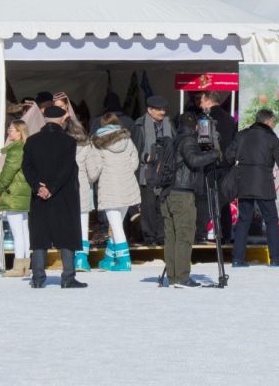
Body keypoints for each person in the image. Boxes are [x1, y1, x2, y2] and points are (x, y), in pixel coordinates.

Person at [22, 106, 86, 289]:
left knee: (40, 235)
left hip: (39, 195)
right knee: (66, 234)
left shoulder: (32, 141)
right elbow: (66, 169)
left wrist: (38, 187)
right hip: (63, 194)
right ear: (61, 120)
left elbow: (27, 167)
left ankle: (37, 277)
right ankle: (68, 277)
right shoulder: (68, 141)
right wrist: (52, 188)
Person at [229, 109, 279, 268]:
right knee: (271, 221)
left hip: (244, 183)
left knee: (243, 220)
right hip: (264, 185)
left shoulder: (241, 135)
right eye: (273, 121)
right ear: (267, 121)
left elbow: (228, 156)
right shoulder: (272, 139)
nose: (273, 124)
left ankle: (237, 259)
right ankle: (275, 258)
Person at [158, 112, 220, 287]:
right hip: (182, 194)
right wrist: (214, 154)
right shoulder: (188, 140)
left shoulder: (174, 139)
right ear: (196, 127)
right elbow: (193, 160)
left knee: (171, 237)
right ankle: (183, 277)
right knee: (184, 236)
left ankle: (172, 277)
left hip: (168, 194)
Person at [82, 113, 141, 272]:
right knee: (117, 224)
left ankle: (124, 261)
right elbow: (135, 162)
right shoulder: (127, 140)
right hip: (128, 185)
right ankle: (109, 258)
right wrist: (126, 171)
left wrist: (90, 178)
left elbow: (95, 169)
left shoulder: (98, 143)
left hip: (110, 187)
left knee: (115, 226)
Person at [195, 91, 236, 243]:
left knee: (205, 200)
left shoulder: (205, 119)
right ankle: (225, 235)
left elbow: (204, 145)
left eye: (201, 100)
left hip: (210, 165)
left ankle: (200, 234)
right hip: (226, 165)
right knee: (224, 201)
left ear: (207, 100)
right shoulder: (231, 119)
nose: (200, 104)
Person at [132, 95, 173, 246]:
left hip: (165, 172)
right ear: (149, 110)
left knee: (162, 207)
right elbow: (134, 150)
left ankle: (162, 237)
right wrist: (146, 157)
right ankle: (149, 237)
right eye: (159, 110)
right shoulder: (139, 126)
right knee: (148, 207)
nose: (162, 112)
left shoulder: (169, 124)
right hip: (147, 173)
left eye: (163, 109)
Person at [0, 119, 32, 278]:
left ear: (20, 132)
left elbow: (7, 172)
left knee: (18, 232)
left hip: (14, 192)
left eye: (12, 130)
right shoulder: (27, 147)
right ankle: (25, 265)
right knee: (24, 230)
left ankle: (18, 266)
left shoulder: (16, 150)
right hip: (24, 191)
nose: (9, 132)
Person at [65, 116, 94, 273]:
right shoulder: (87, 146)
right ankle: (82, 259)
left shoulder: (61, 146)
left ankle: (68, 256)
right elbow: (92, 171)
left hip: (64, 187)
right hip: (82, 185)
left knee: (66, 223)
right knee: (83, 223)